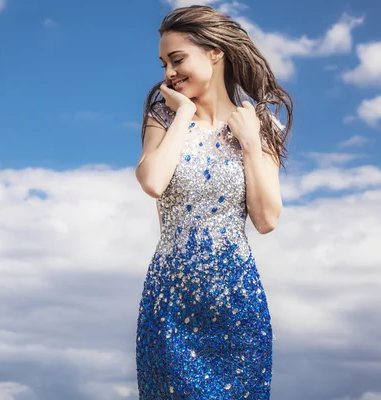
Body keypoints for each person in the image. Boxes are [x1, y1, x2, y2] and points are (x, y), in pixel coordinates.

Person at [134, 5, 293, 399]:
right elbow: (152, 181)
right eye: (164, 64)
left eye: (177, 59)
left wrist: (252, 143)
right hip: (170, 302)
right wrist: (184, 114)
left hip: (237, 304)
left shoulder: (260, 124)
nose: (169, 73)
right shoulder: (164, 116)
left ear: (215, 52)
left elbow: (267, 218)